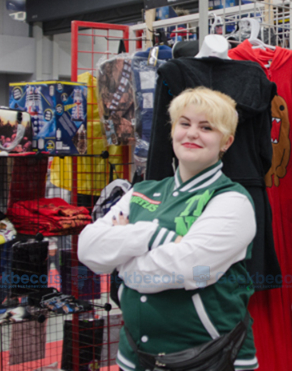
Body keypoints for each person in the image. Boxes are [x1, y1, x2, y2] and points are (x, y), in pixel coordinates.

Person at [79, 87, 258, 371]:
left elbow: (193, 270)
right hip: (135, 355)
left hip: (211, 356)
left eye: (206, 127)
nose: (192, 133)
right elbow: (88, 248)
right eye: (184, 123)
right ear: (173, 130)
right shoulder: (141, 191)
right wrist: (154, 236)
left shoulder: (233, 201)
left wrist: (122, 265)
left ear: (226, 141)